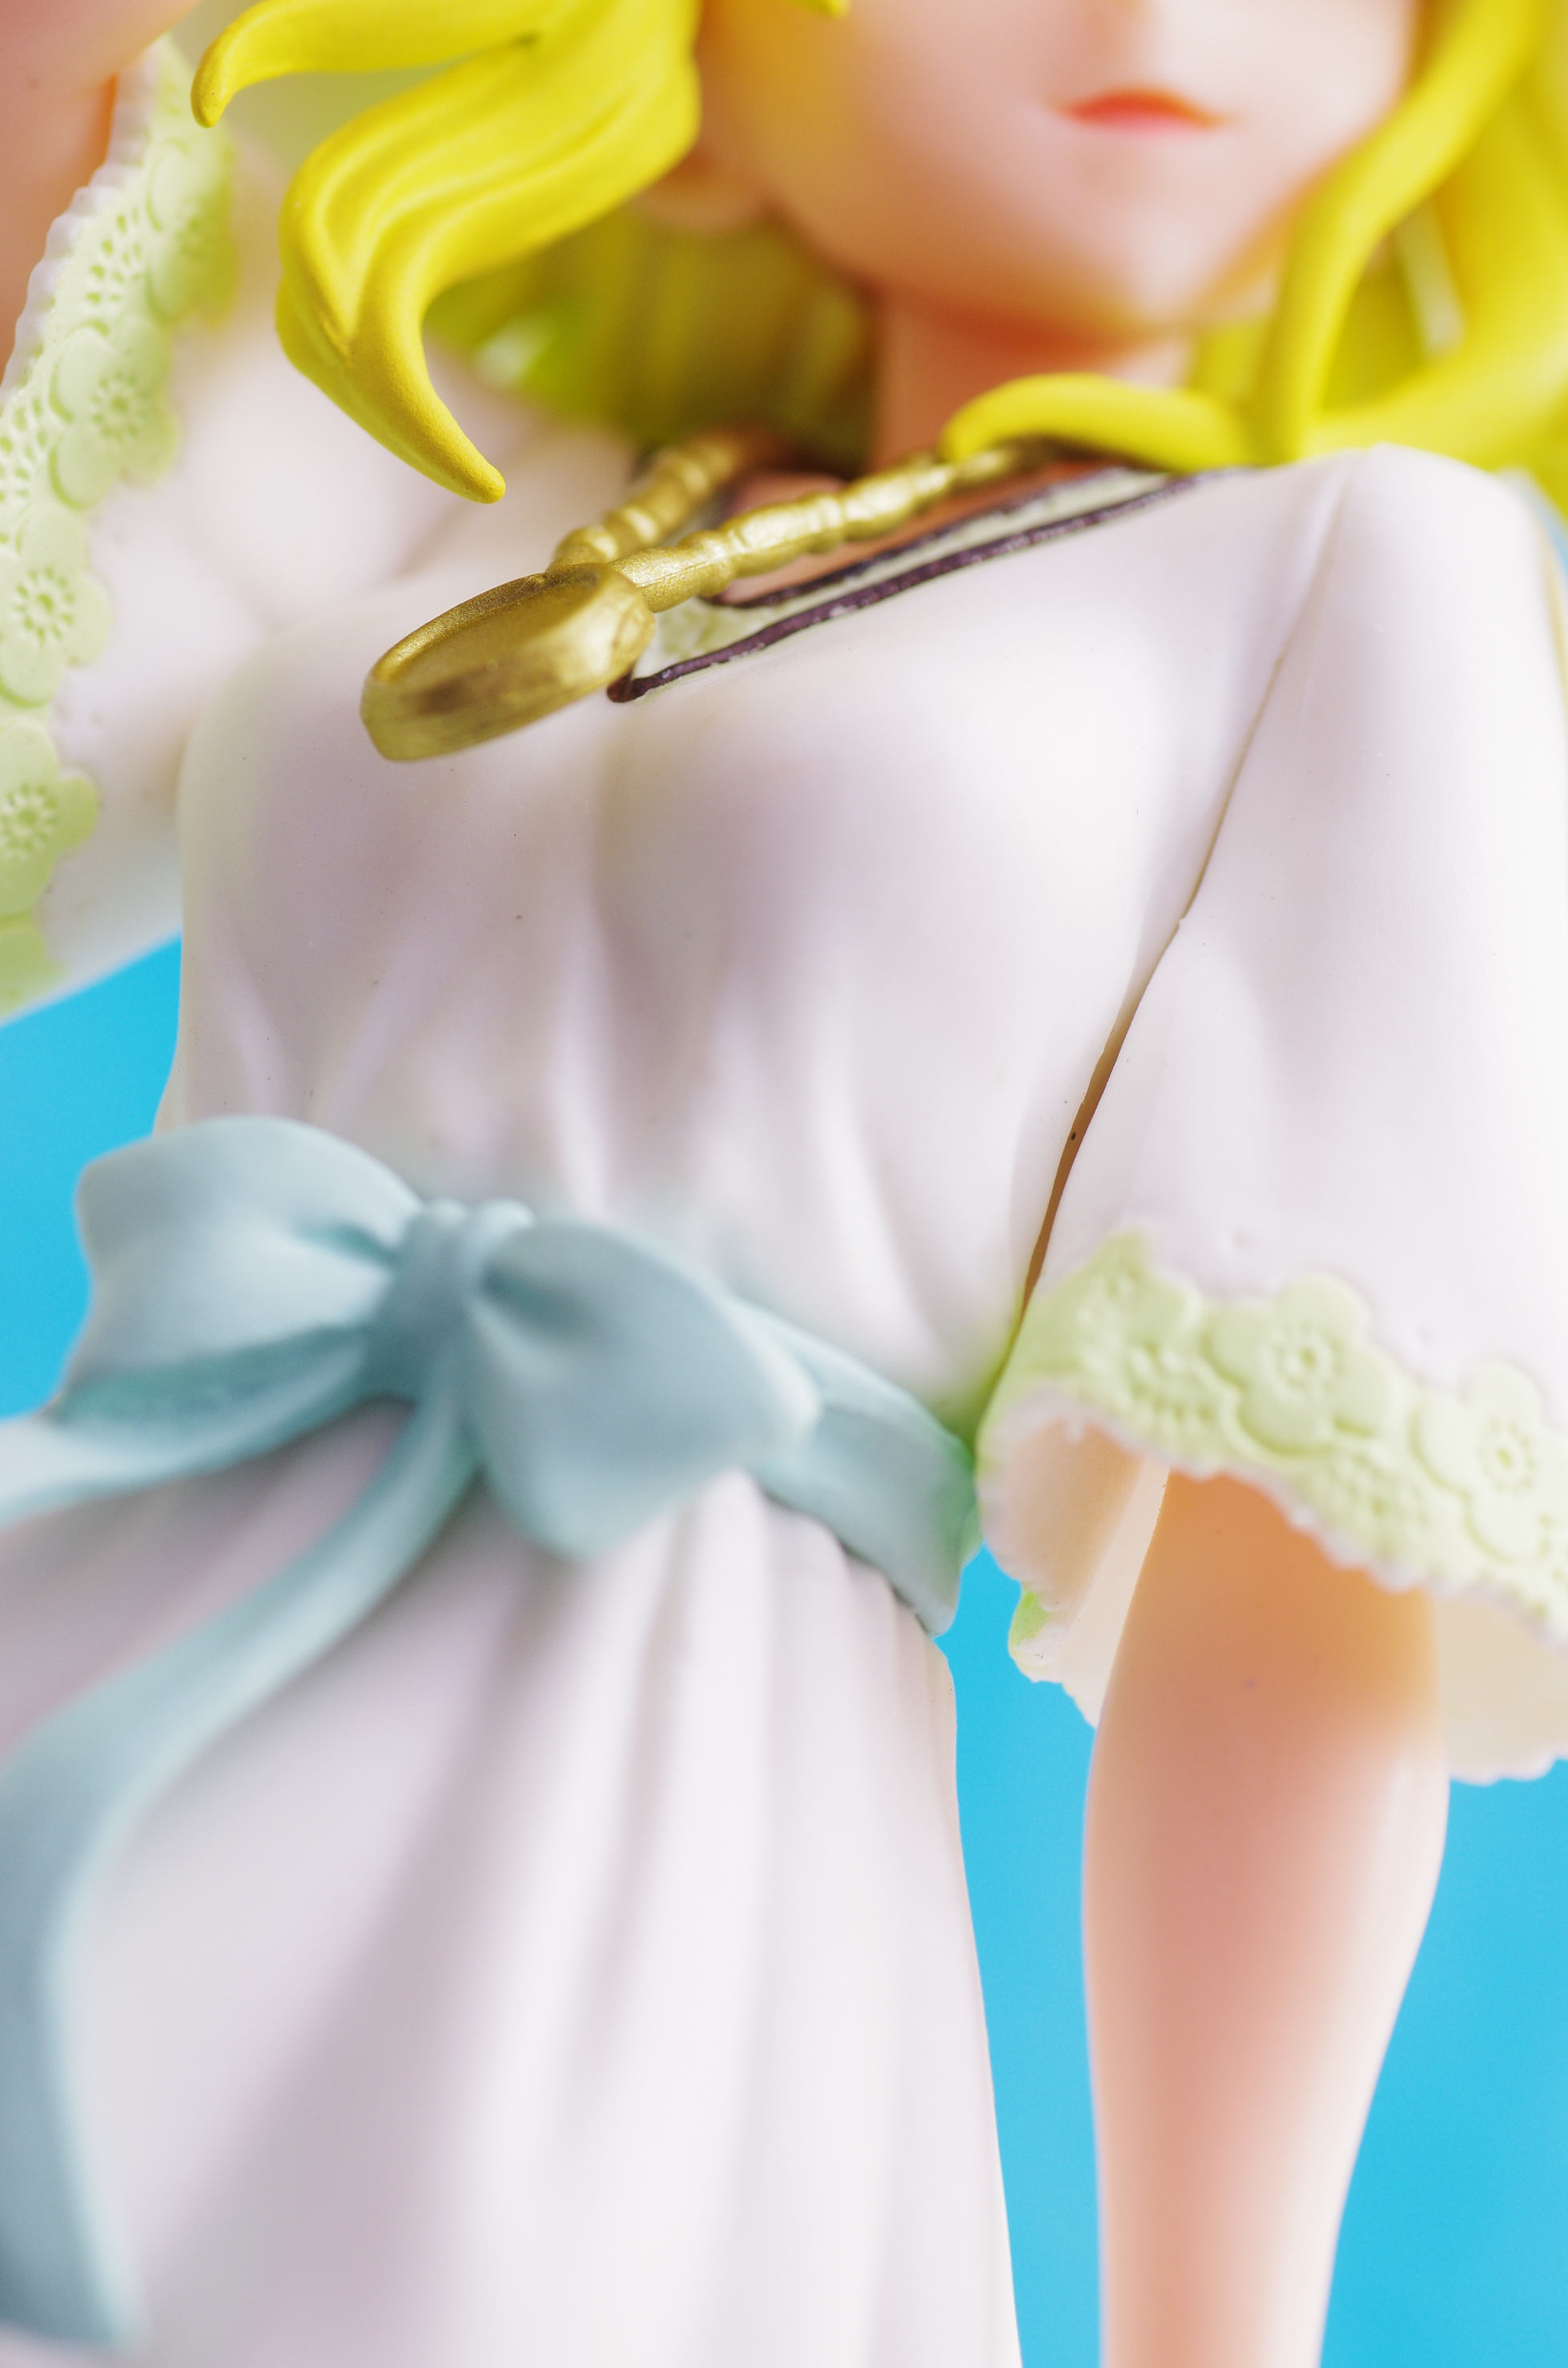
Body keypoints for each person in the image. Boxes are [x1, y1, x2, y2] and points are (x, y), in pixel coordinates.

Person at [0, 2, 1566, 2363]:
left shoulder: (1353, 574)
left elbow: (1297, 1565)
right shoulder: (470, 476)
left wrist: (1209, 2339)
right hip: (105, 1605)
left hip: (638, 1782)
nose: (1151, 20)